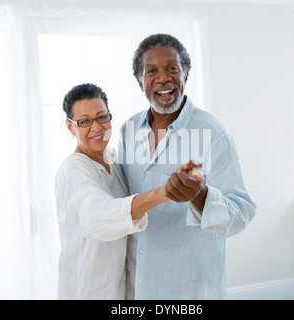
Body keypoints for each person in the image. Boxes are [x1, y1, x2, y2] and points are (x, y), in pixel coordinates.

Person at [118, 34, 257, 299]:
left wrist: (200, 196)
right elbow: (126, 203)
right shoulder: (128, 131)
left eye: (172, 68)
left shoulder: (214, 133)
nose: (163, 78)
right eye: (152, 71)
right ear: (140, 82)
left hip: (189, 287)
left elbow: (240, 214)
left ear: (186, 75)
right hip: (137, 282)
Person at [54, 83, 203, 300]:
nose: (97, 128)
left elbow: (144, 179)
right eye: (85, 121)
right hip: (88, 290)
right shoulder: (73, 169)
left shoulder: (113, 159)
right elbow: (97, 215)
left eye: (102, 117)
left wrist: (182, 175)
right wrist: (162, 193)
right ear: (70, 127)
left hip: (121, 289)